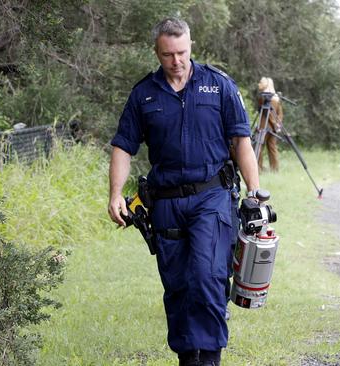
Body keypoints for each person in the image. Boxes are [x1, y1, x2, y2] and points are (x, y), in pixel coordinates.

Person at [107, 17, 260, 366]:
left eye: (182, 52)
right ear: (156, 52)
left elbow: (241, 141)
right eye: (167, 54)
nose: (176, 61)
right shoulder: (143, 94)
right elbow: (123, 147)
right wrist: (116, 194)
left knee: (207, 277)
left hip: (212, 197)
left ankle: (209, 359)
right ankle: (187, 359)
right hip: (165, 203)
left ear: (191, 46)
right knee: (177, 286)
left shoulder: (218, 85)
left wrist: (254, 191)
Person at [256, 77, 283, 172]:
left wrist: (275, 124)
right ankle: (274, 168)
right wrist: (278, 125)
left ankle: (258, 168)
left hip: (264, 126)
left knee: (259, 146)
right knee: (272, 148)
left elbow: (268, 114)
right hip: (273, 128)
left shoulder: (263, 98)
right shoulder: (276, 98)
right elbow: (280, 114)